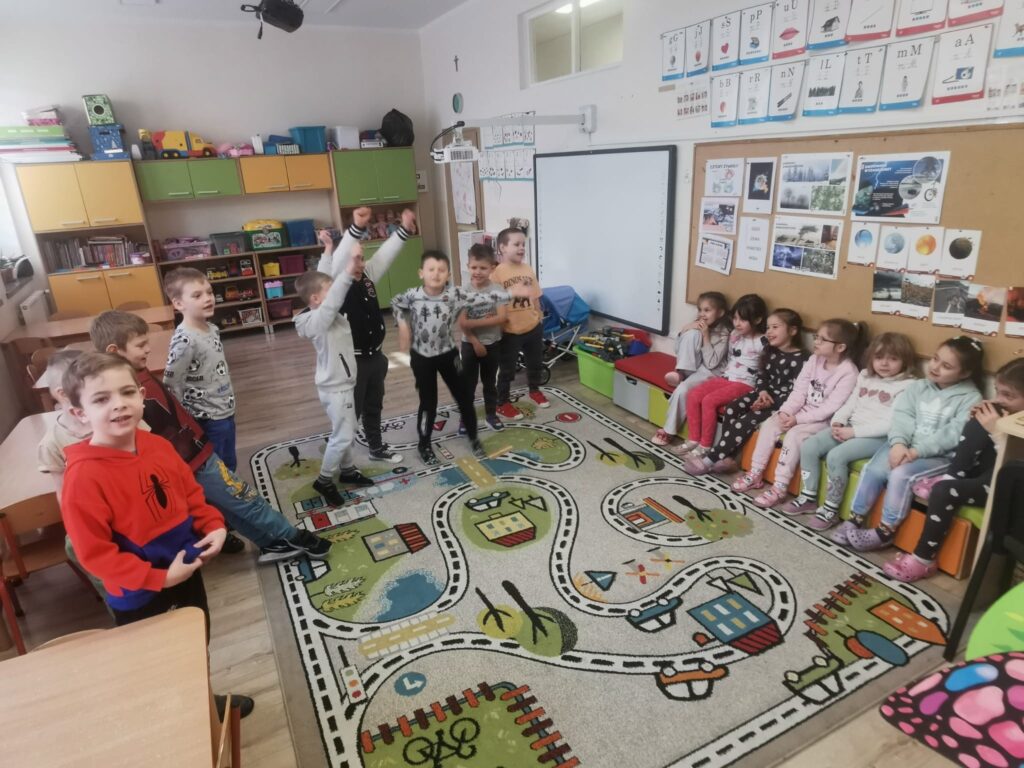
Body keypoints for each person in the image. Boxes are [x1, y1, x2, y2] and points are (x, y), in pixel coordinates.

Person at [59, 351, 254, 718]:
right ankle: (178, 719)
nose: (119, 404)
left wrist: (213, 525)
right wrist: (159, 579)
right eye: (101, 399)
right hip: (139, 593)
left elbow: (191, 495)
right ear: (79, 413)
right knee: (158, 662)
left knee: (196, 642)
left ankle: (202, 703)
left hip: (186, 569)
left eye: (126, 393)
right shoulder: (83, 478)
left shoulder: (159, 446)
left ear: (141, 396)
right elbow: (95, 555)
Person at [90, 311, 329, 564]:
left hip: (194, 455)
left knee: (229, 505)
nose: (148, 349)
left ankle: (270, 543)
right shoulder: (124, 393)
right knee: (244, 498)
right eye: (140, 345)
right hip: (191, 462)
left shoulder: (135, 371)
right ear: (115, 351)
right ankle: (294, 536)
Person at [833, 337, 984, 552]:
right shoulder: (918, 387)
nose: (935, 367)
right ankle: (855, 518)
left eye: (946, 366)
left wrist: (916, 452)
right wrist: (898, 444)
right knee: (873, 469)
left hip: (938, 456)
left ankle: (886, 531)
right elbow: (902, 417)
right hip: (904, 446)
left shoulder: (971, 398)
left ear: (965, 373)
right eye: (935, 359)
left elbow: (952, 434)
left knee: (900, 475)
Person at [884, 358, 1024, 582]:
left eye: (1008, 395)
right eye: (998, 391)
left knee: (942, 492)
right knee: (978, 420)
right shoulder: (1008, 413)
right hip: (984, 473)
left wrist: (996, 432)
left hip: (1007, 489)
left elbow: (1011, 470)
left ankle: (923, 559)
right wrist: (981, 422)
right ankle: (951, 475)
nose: (998, 399)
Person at [391, 250, 508, 465]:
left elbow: (486, 297)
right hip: (422, 357)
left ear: (448, 275)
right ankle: (424, 444)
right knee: (429, 402)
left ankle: (473, 438)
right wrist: (402, 325)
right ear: (421, 273)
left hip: (448, 354)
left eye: (441, 270)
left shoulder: (455, 294)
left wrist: (514, 293)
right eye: (431, 269)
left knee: (464, 396)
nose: (436, 274)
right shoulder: (412, 295)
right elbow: (396, 302)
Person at [790, 333, 917, 530]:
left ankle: (830, 509)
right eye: (879, 357)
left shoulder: (909, 385)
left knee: (836, 456)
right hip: (850, 427)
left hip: (878, 437)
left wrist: (854, 432)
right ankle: (808, 496)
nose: (884, 363)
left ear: (905, 361)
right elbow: (850, 403)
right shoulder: (865, 375)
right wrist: (838, 421)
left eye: (893, 359)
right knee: (809, 446)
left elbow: (892, 423)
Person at [731, 319, 862, 508]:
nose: (816, 341)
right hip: (799, 412)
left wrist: (797, 419)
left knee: (794, 436)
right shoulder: (814, 359)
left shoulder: (849, 372)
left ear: (840, 347)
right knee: (770, 424)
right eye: (816, 336)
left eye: (822, 339)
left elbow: (830, 408)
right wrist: (786, 411)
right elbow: (799, 391)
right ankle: (755, 473)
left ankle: (780, 487)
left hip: (823, 421)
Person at [324, 205, 417, 464]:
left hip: (375, 358)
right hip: (351, 364)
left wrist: (403, 231)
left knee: (374, 406)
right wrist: (355, 229)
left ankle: (376, 447)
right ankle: (341, 460)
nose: (360, 263)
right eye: (354, 258)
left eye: (362, 258)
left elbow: (385, 255)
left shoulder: (366, 276)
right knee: (349, 414)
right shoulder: (333, 283)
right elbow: (339, 257)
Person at [294, 237, 376, 507]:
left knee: (346, 429)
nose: (337, 294)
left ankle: (348, 471)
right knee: (343, 435)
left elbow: (324, 279)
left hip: (341, 383)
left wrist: (328, 251)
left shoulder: (323, 312)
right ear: (316, 299)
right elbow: (331, 296)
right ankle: (325, 480)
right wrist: (350, 269)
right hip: (336, 387)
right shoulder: (319, 319)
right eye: (330, 291)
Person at [683, 308, 806, 474]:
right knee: (732, 408)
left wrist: (769, 403)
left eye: (775, 327)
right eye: (768, 327)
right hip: (763, 394)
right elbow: (762, 375)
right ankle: (728, 457)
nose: (769, 332)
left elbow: (797, 393)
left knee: (747, 419)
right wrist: (762, 392)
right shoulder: (769, 349)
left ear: (792, 330)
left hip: (781, 404)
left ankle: (711, 458)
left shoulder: (802, 359)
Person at [162, 267, 239, 472]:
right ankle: (223, 491)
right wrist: (185, 420)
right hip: (207, 416)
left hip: (224, 407)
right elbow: (171, 383)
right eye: (197, 295)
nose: (208, 298)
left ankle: (230, 487)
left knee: (229, 459)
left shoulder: (212, 329)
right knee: (218, 466)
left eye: (209, 292)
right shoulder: (184, 340)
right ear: (179, 304)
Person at [677, 294, 768, 457]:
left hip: (745, 383)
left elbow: (765, 370)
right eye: (735, 318)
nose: (737, 323)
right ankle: (693, 439)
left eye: (743, 320)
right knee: (693, 395)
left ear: (757, 320)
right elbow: (730, 358)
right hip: (726, 377)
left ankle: (705, 446)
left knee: (709, 401)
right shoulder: (734, 335)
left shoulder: (763, 342)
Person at [651, 291, 731, 446]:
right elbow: (678, 350)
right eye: (700, 309)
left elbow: (711, 364)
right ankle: (681, 373)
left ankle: (668, 431)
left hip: (711, 371)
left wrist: (706, 335)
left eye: (707, 310)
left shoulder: (724, 333)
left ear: (720, 313)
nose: (702, 314)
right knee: (691, 333)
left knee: (682, 390)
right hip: (692, 366)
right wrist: (685, 329)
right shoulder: (698, 325)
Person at [492, 228, 547, 419]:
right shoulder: (497, 273)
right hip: (510, 331)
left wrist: (539, 315)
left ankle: (534, 390)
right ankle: (502, 402)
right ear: (502, 248)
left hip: (532, 326)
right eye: (516, 244)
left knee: (535, 363)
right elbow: (494, 301)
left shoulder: (528, 269)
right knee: (507, 369)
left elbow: (536, 295)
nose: (522, 248)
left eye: (523, 244)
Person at [458, 242, 509, 433]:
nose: (477, 272)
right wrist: (476, 341)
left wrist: (474, 322)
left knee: (490, 383)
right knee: (468, 385)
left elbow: (502, 318)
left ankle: (491, 415)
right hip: (470, 345)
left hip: (493, 344)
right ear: (468, 266)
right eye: (474, 267)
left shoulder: (498, 290)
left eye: (482, 268)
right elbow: (462, 323)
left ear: (492, 268)